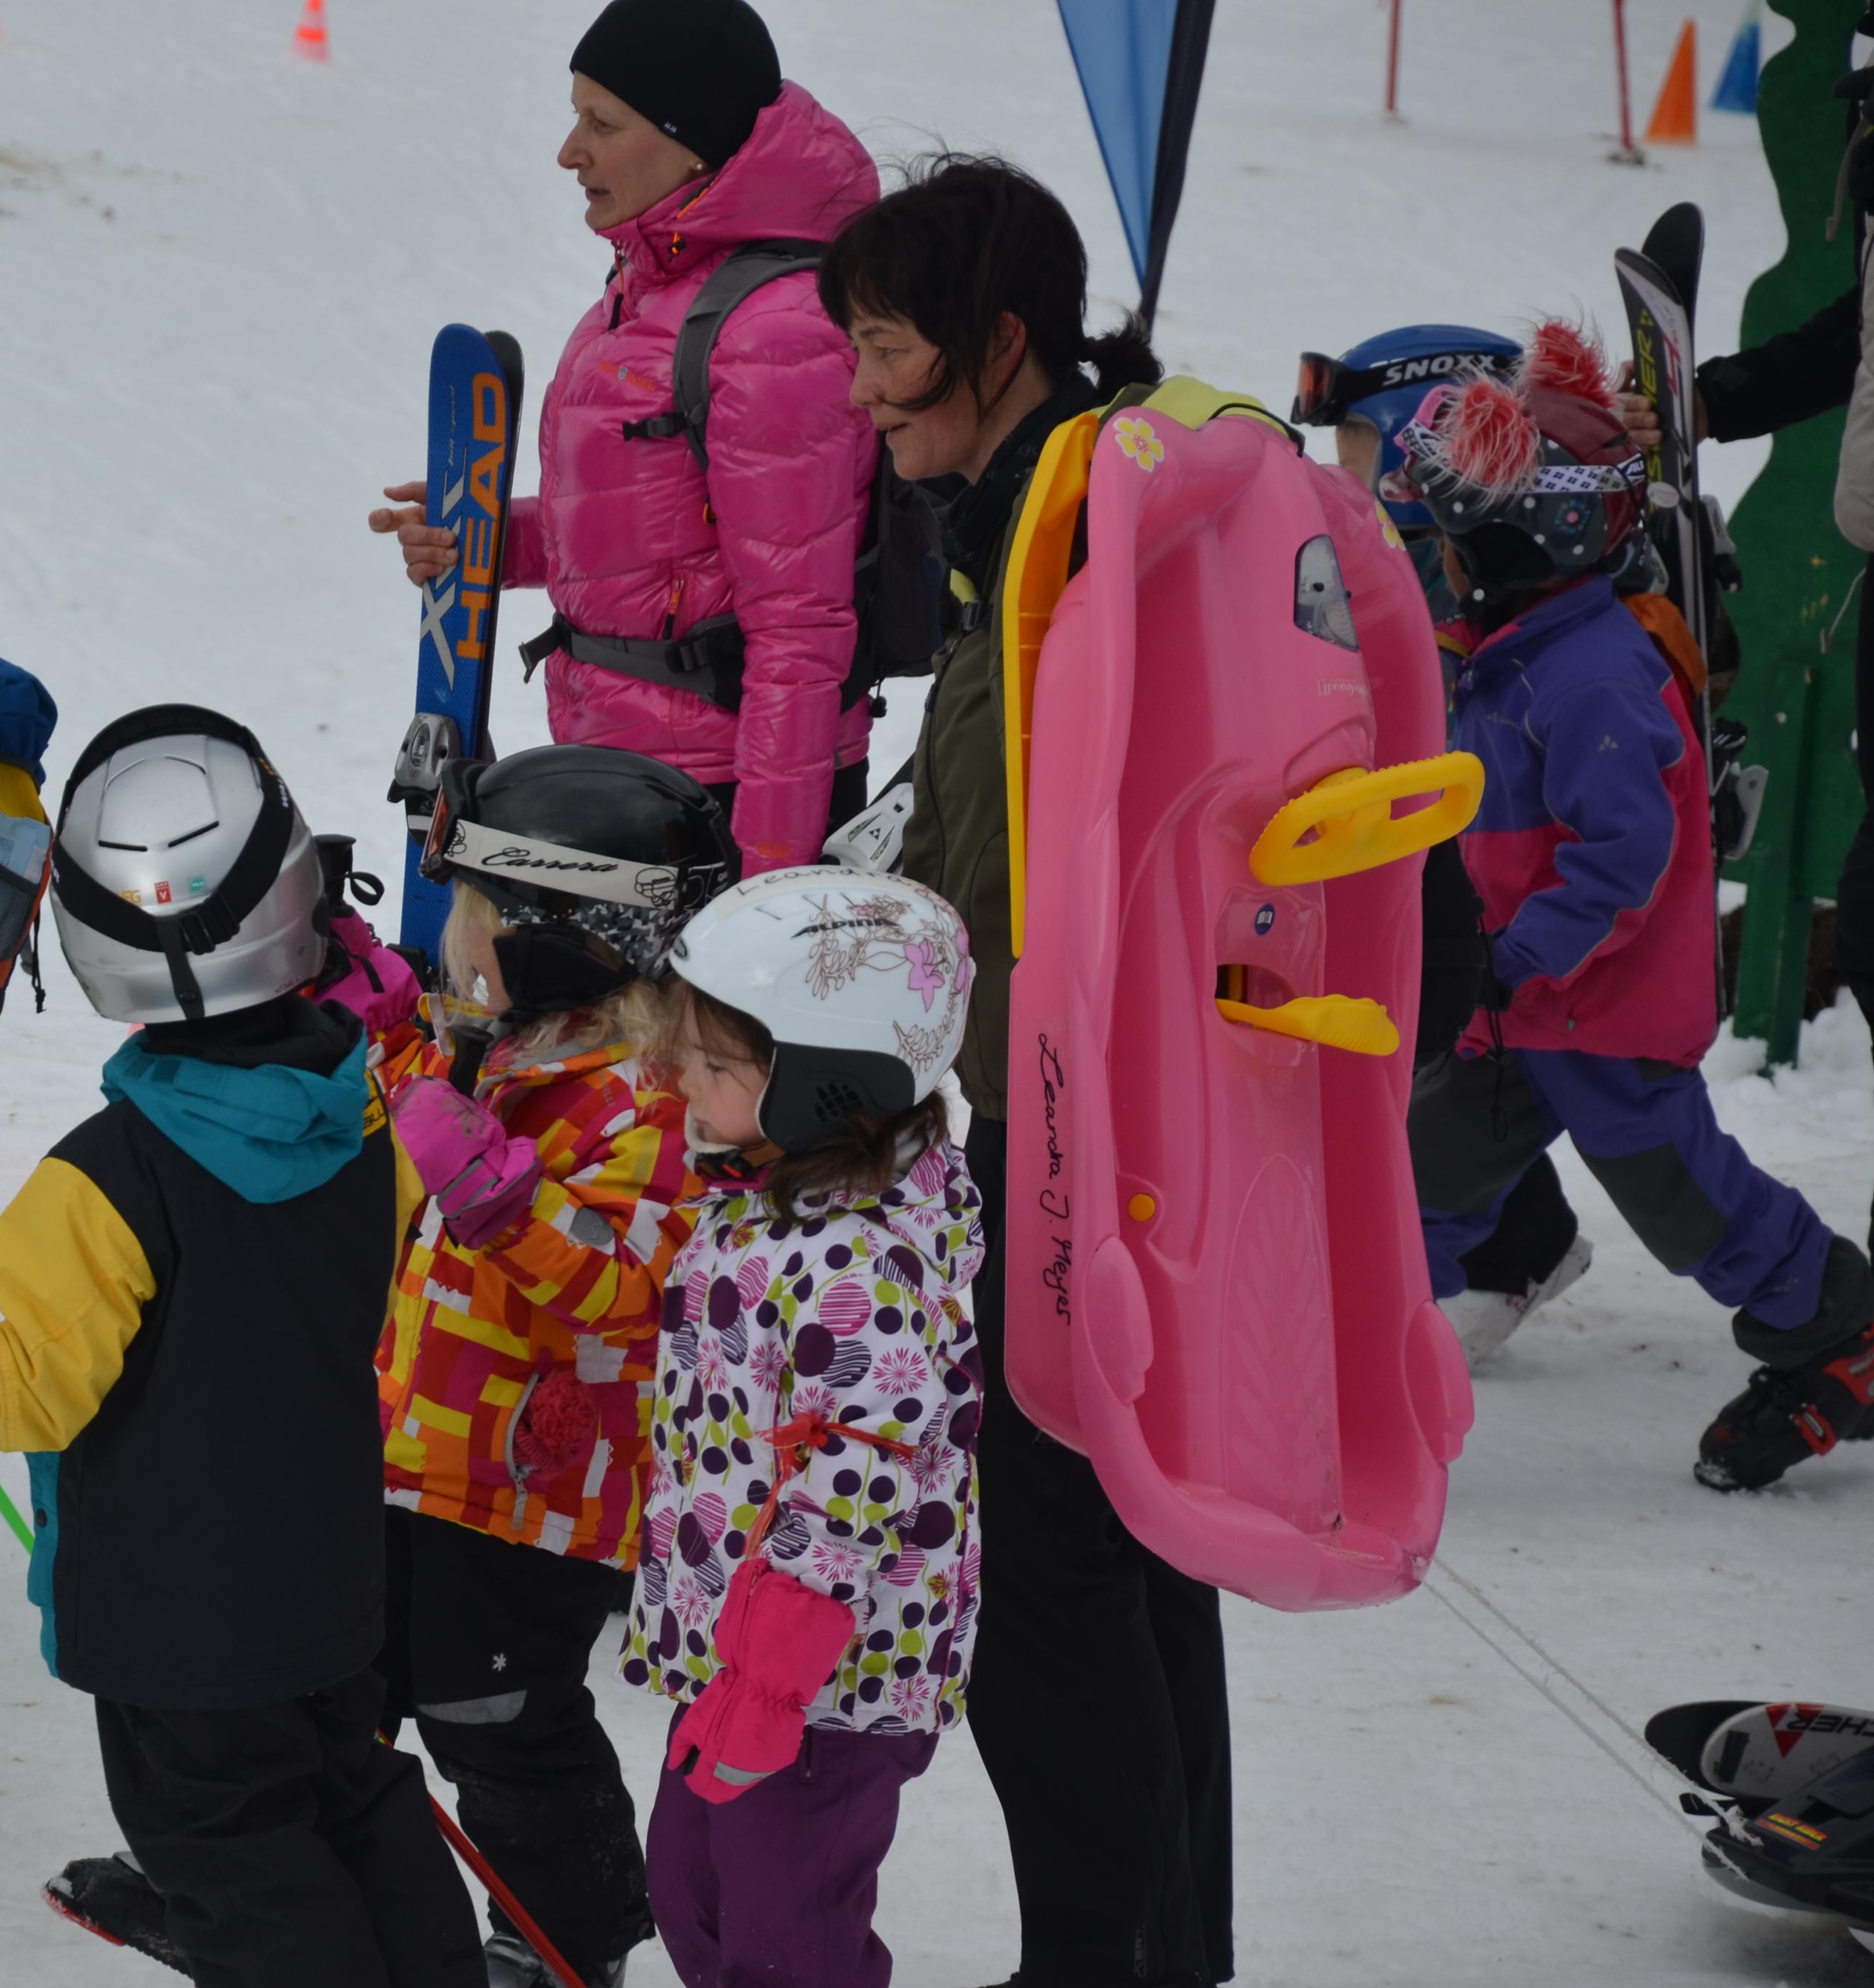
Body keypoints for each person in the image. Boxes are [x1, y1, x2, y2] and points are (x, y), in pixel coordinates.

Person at [0, 706, 482, 1988]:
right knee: (350, 1792)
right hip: (329, 1576)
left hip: (182, 1620)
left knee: (233, 1854)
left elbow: (31, 1390)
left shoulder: (108, 1178)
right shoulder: (361, 1117)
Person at [817, 155, 1235, 1987]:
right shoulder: (1035, 510)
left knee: (1046, 1571)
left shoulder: (1073, 527)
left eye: (882, 346)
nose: (860, 390)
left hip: (1100, 1129)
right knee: (1128, 1550)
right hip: (1103, 1110)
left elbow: (1038, 851)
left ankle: (1094, 1959)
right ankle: (1159, 1954)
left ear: (994, 344)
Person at [1393, 325, 1874, 1492]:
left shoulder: (1595, 677)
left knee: (1686, 1204)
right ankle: (1358, 1347)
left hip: (1597, 1014)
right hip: (1512, 1007)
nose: (1439, 565)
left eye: (1452, 544)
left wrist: (1512, 959)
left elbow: (1621, 861)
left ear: (1516, 551)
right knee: (1413, 1178)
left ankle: (1836, 1327)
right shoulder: (1511, 648)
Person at [367, 0, 882, 873]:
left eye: (602, 124)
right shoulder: (649, 287)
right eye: (576, 117)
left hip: (723, 801)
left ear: (694, 143)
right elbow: (661, 536)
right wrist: (486, 542)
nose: (570, 152)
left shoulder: (776, 332)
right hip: (624, 773)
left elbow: (800, 634)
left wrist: (767, 882)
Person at [373, 743, 734, 1986]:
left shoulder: (653, 1097)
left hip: (536, 1488)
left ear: (559, 936)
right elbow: (430, 1115)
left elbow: (630, 1287)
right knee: (345, 1671)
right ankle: (287, 1869)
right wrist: (377, 1020)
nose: (454, 944)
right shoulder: (515, 1038)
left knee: (495, 1713)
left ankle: (563, 1943)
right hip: (419, 1449)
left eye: (474, 916)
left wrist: (500, 1199)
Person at [628, 866, 983, 1988]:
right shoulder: (769, 1197)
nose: (683, 1081)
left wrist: (770, 1687)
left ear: (829, 1084)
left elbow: (854, 1488)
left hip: (826, 1686)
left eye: (715, 1065)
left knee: (788, 1941)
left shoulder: (857, 1264)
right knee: (692, 1894)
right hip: (739, 1657)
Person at [1290, 325, 1598, 1366]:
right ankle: (1520, 1238)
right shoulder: (1401, 555)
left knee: (1448, 1051)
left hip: (1473, 859)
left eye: (1353, 449)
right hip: (1425, 840)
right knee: (1438, 1057)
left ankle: (1512, 1251)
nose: (1341, 479)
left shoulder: (1449, 567)